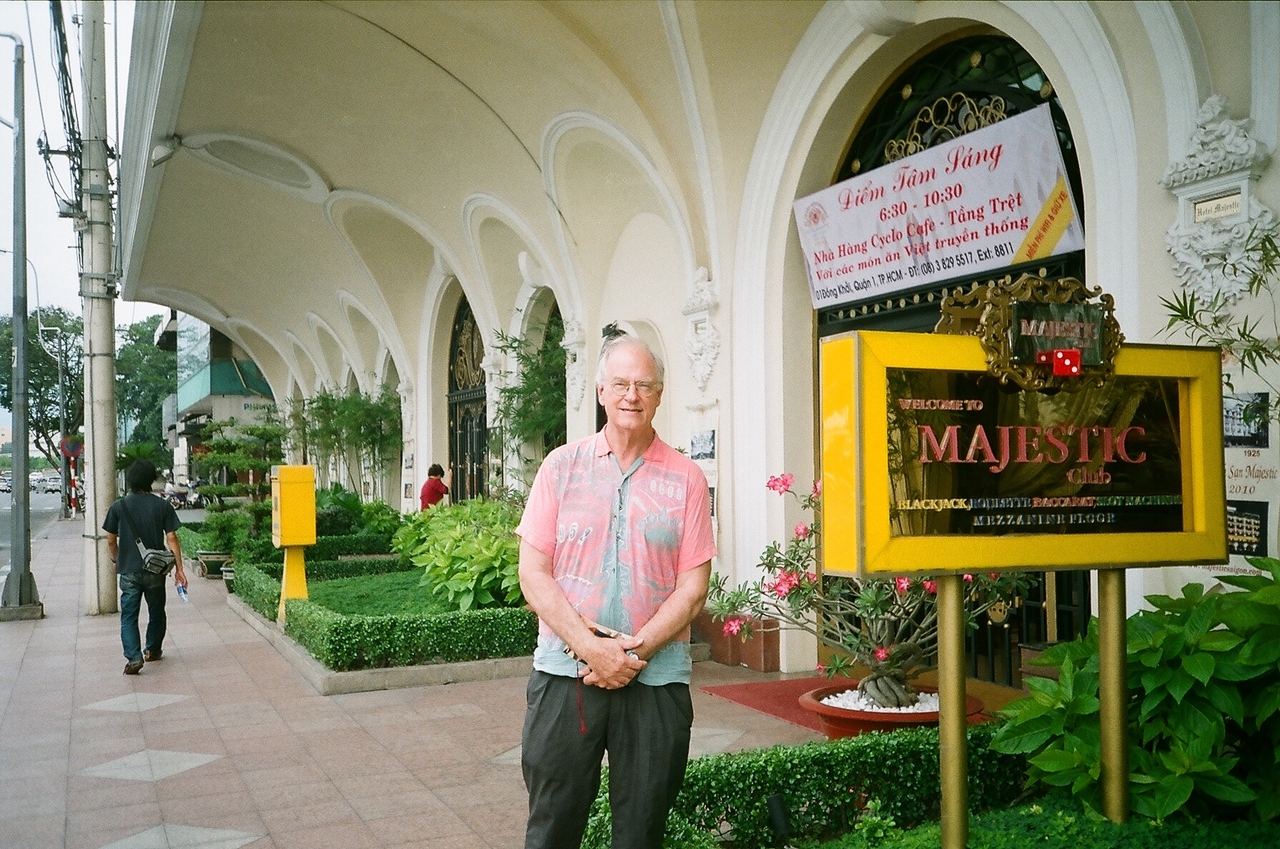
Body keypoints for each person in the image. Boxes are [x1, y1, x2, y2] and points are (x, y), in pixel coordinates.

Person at [516, 332, 716, 849]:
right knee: (552, 827)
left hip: (655, 680)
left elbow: (693, 589)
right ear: (601, 391)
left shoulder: (688, 479)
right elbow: (533, 574)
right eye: (621, 384)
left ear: (659, 395)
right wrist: (592, 650)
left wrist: (631, 654)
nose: (632, 395)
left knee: (641, 833)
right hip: (566, 675)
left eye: (644, 385)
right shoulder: (561, 467)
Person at [104, 460, 189, 675]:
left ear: (131, 480)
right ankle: (152, 650)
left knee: (129, 616)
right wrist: (179, 569)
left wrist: (116, 560)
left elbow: (111, 540)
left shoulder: (119, 506)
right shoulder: (162, 505)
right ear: (151, 479)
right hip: (155, 569)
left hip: (129, 570)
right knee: (157, 611)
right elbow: (172, 538)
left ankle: (134, 657)